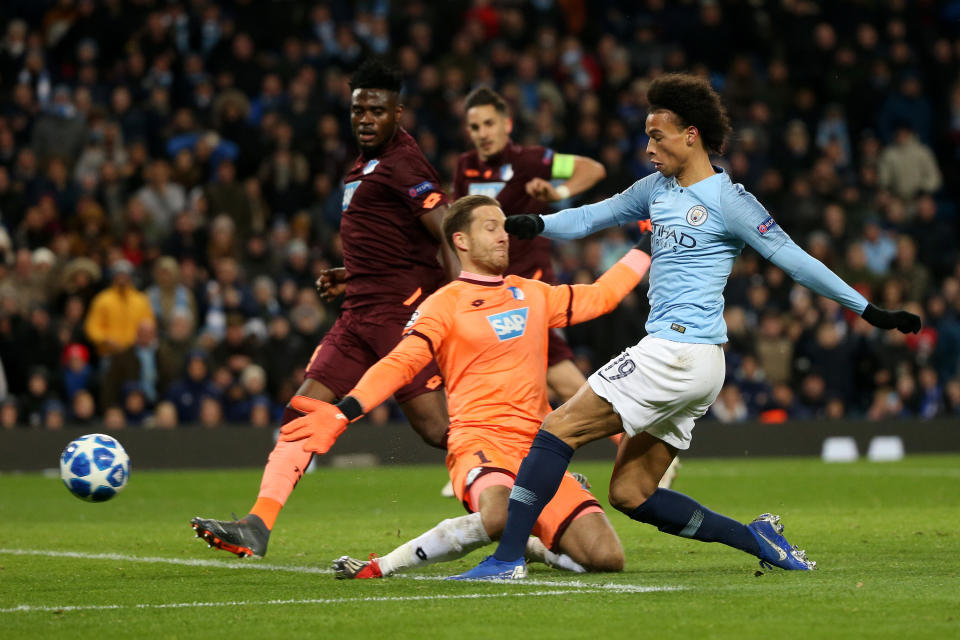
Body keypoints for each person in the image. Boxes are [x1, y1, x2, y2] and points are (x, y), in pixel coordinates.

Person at [454, 73, 922, 580]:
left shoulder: (729, 200)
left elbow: (794, 260)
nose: (648, 147)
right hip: (695, 363)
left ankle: (506, 559)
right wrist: (541, 224)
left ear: (691, 135)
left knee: (555, 430)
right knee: (631, 493)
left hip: (677, 352)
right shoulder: (656, 188)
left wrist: (867, 309)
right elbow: (594, 216)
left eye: (658, 136)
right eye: (647, 137)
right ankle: (756, 539)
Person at [282, 194, 651, 579]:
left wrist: (650, 243)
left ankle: (529, 546)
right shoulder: (444, 304)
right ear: (461, 241)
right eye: (490, 227)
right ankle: (384, 565)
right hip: (480, 442)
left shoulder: (532, 293)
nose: (503, 235)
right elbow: (401, 362)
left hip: (540, 447)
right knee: (499, 511)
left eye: (504, 227)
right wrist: (346, 410)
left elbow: (603, 296)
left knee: (607, 557)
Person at [191, 59, 459, 558]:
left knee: (438, 429)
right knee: (301, 410)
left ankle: (538, 472)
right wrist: (351, 272)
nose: (365, 118)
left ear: (397, 114)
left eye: (376, 110)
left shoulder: (405, 163)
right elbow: (390, 239)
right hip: (359, 314)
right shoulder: (363, 165)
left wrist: (463, 297)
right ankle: (258, 524)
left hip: (399, 320)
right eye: (358, 109)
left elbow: (445, 235)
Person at [456, 86, 681, 492]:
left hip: (529, 294)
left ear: (506, 125)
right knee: (540, 382)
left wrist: (557, 191)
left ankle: (639, 451)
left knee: (561, 384)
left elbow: (592, 169)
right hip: (489, 294)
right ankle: (506, 458)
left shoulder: (531, 159)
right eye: (474, 126)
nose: (482, 133)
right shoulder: (465, 169)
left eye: (489, 123)